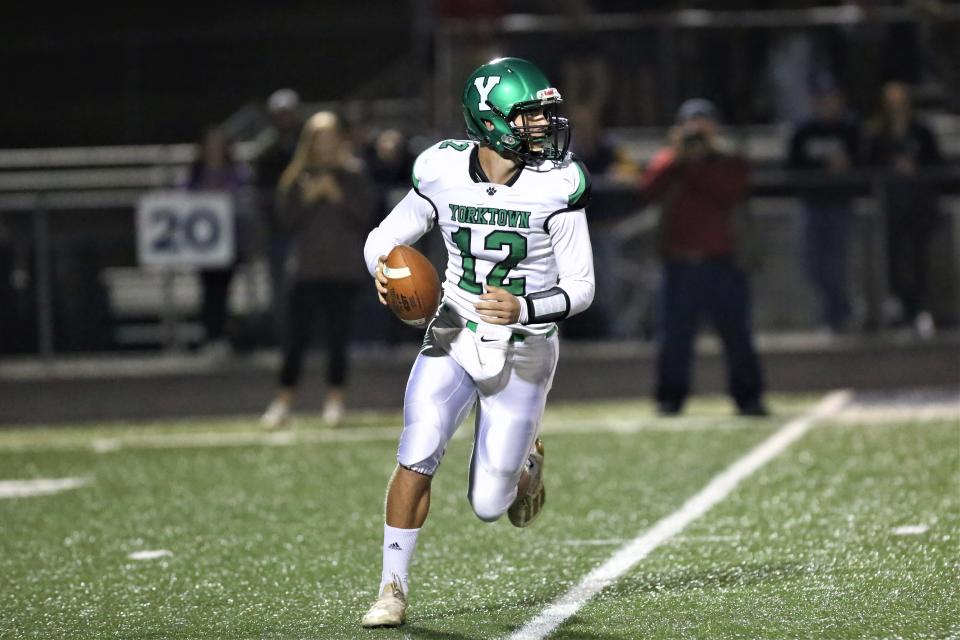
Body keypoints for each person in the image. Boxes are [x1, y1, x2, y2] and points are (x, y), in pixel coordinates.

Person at [359, 57, 594, 628]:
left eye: (544, 115)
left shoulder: (557, 184)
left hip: (527, 341)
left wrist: (525, 306)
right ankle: (392, 588)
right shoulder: (441, 170)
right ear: (491, 120)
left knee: (491, 505)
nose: (543, 126)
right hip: (456, 325)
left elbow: (582, 287)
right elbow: (384, 239)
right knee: (419, 447)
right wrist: (386, 274)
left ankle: (525, 463)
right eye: (530, 116)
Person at [640, 98, 767, 417]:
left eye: (704, 122)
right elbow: (648, 189)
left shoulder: (728, 161)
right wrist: (677, 158)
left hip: (723, 262)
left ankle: (748, 397)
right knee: (674, 338)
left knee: (737, 334)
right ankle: (670, 398)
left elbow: (731, 192)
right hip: (680, 262)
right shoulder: (671, 161)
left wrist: (698, 162)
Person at [260, 111, 376, 429]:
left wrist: (337, 196)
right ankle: (283, 401)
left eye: (329, 137)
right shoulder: (297, 176)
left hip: (343, 269)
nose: (324, 144)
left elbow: (367, 214)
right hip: (306, 269)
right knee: (296, 340)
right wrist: (309, 197)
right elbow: (285, 220)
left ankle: (335, 401)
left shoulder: (353, 174)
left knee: (338, 339)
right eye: (318, 138)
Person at [863, 81, 945, 338]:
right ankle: (896, 307)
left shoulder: (921, 132)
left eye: (901, 101)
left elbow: (937, 163)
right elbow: (867, 164)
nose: (897, 107)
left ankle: (920, 309)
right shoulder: (878, 133)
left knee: (920, 258)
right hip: (890, 207)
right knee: (892, 258)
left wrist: (916, 169)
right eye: (892, 103)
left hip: (919, 206)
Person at [787, 78, 860, 334]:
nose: (827, 103)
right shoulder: (804, 130)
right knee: (811, 263)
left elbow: (865, 162)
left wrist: (847, 166)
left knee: (836, 264)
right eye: (822, 98)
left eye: (832, 97)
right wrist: (821, 168)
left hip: (840, 204)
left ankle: (836, 315)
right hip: (811, 204)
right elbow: (792, 168)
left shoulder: (849, 128)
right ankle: (838, 310)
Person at [183, 125, 253, 355]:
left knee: (224, 290)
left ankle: (222, 334)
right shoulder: (195, 173)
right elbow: (182, 198)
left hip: (229, 242)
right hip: (204, 244)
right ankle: (209, 333)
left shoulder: (236, 172)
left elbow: (244, 200)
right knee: (207, 289)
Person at [254, 89, 305, 346]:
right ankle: (285, 338)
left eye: (288, 114)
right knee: (282, 287)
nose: (285, 119)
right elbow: (264, 195)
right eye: (280, 115)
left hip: (311, 230)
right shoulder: (266, 153)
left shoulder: (310, 148)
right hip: (280, 230)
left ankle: (312, 338)